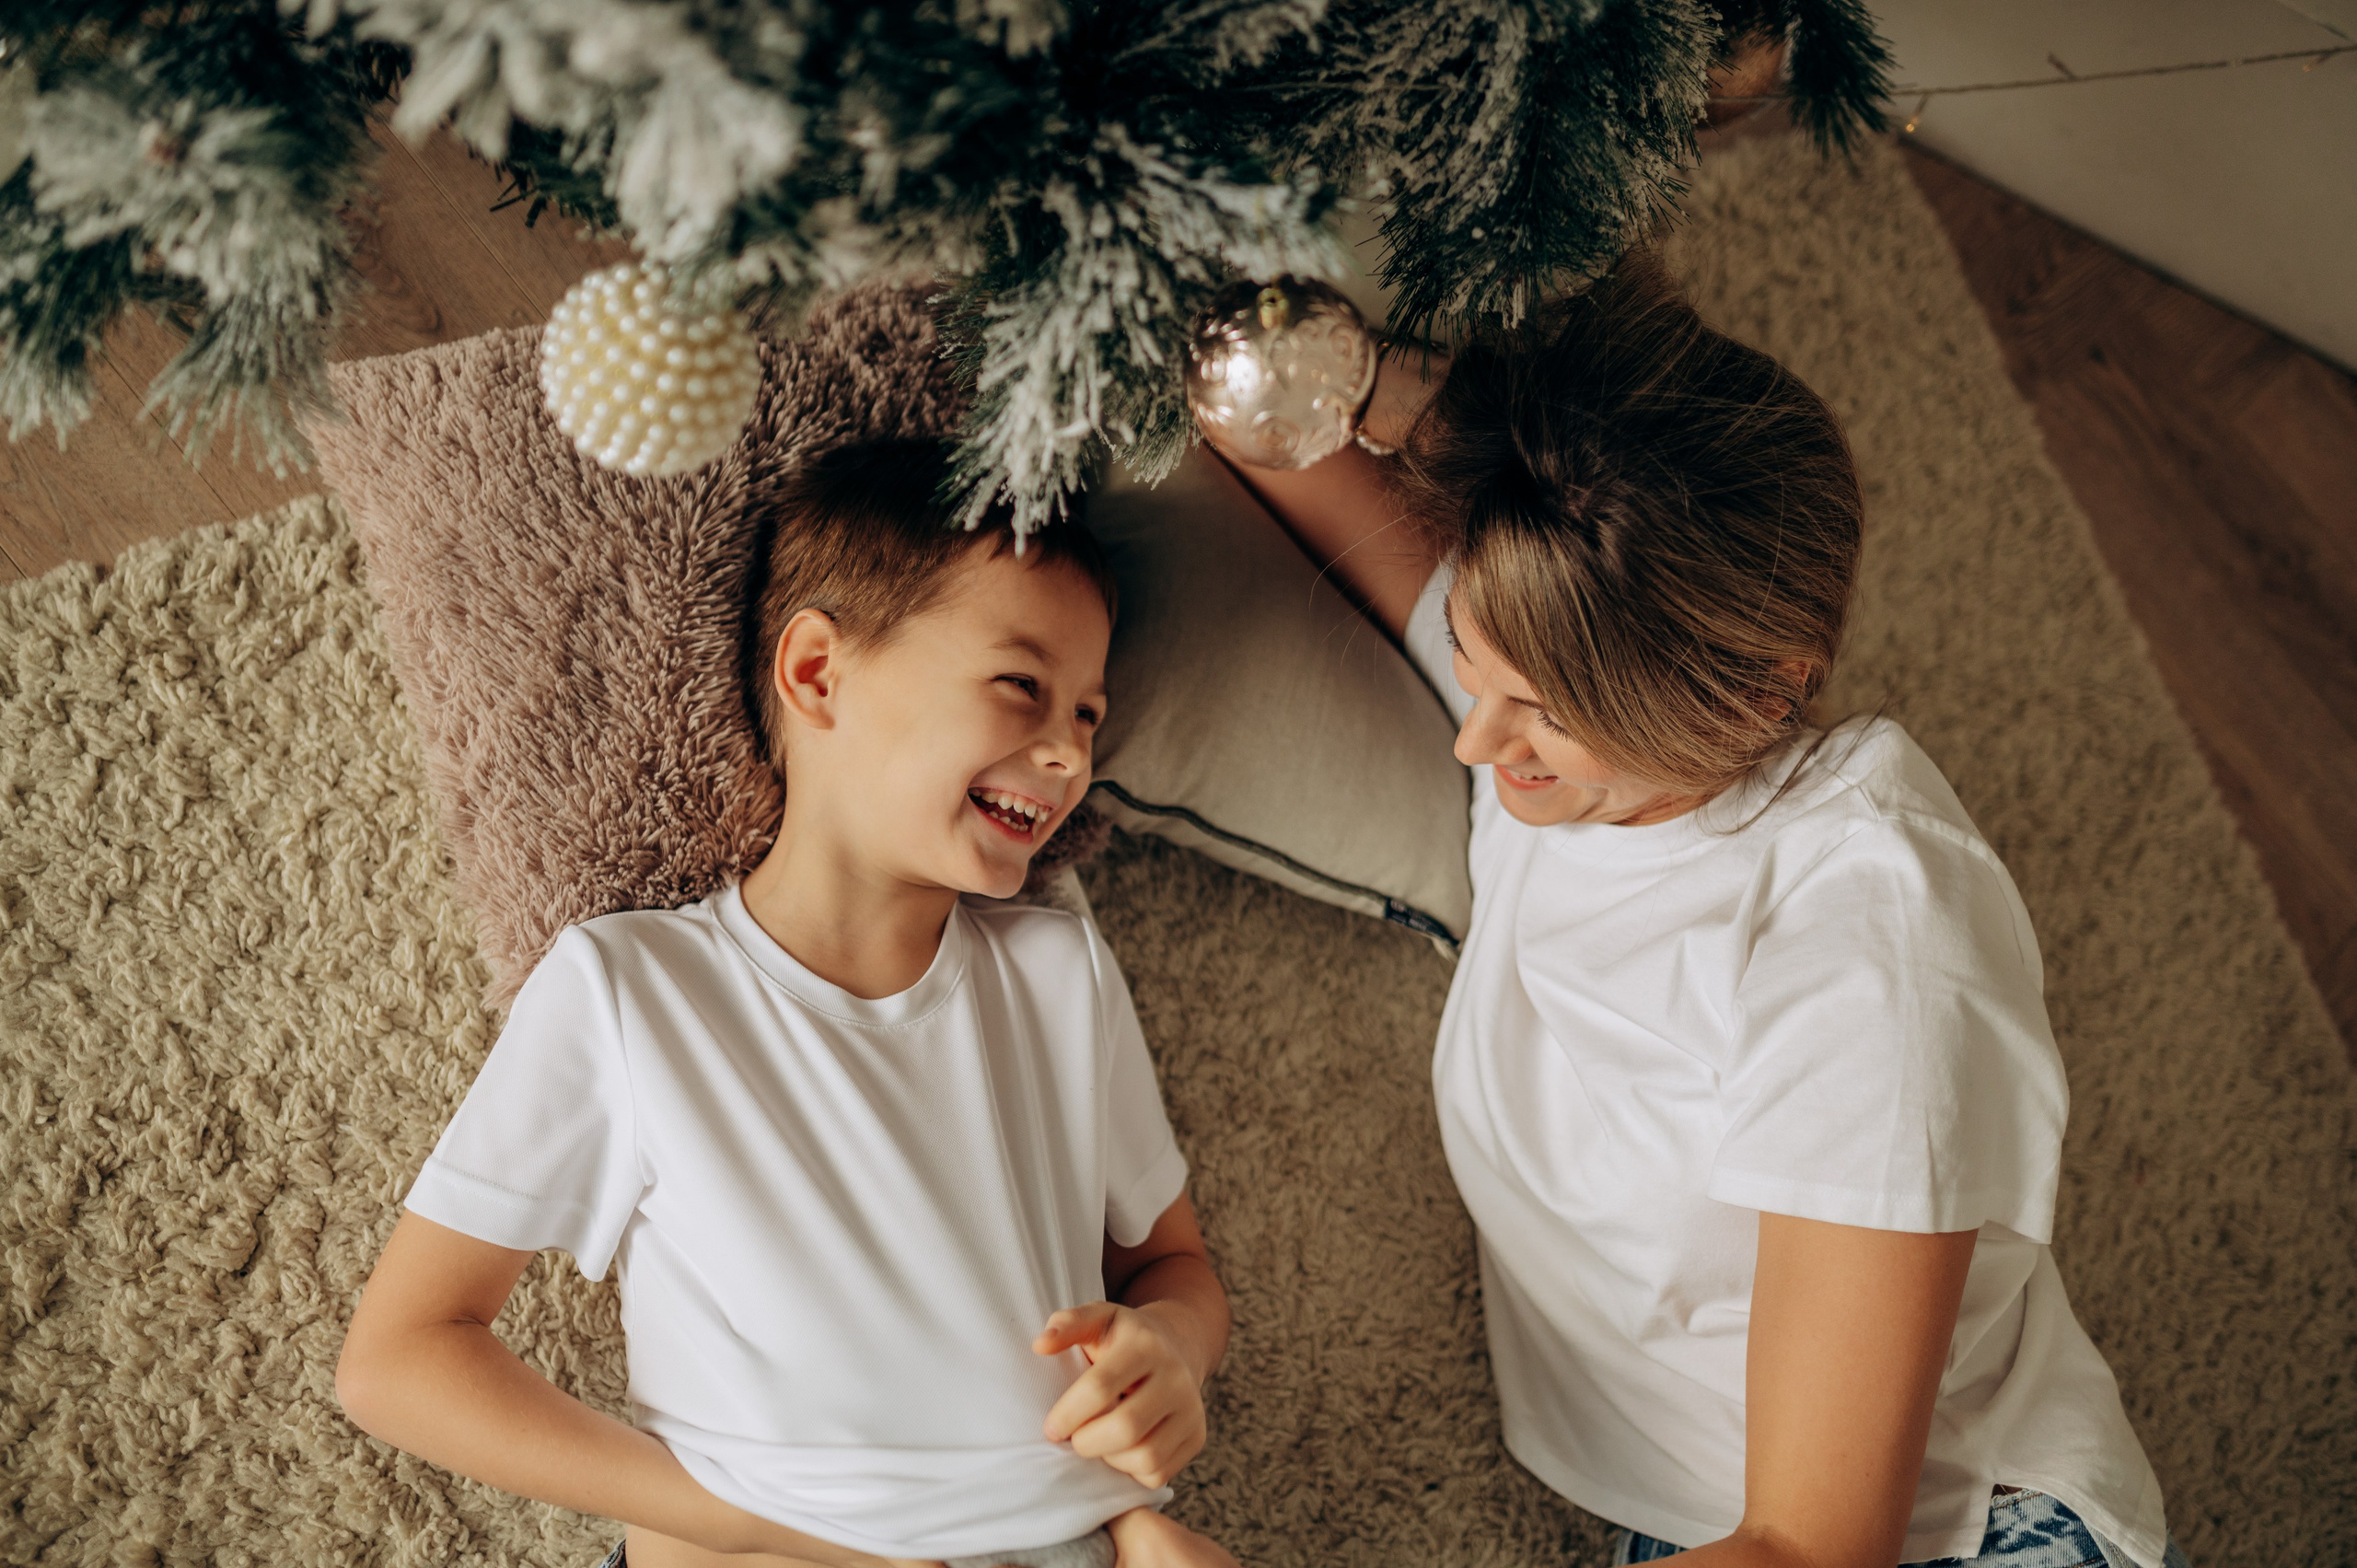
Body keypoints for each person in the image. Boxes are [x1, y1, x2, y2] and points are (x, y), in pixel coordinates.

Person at [1204, 253, 2184, 1568]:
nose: (1477, 743)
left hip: (1966, 1539)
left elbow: (1812, 1542)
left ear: (1754, 695)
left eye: (1545, 711)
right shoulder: (1567, 697)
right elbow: (1271, 429)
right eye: (1471, 667)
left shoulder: (1870, 948)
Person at [335, 440, 1238, 1568]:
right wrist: (745, 1522)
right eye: (1021, 685)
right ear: (816, 671)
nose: (1065, 754)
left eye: (1089, 714)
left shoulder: (1058, 971)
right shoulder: (636, 992)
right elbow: (401, 1357)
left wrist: (1168, 1352)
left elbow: (1175, 1265)